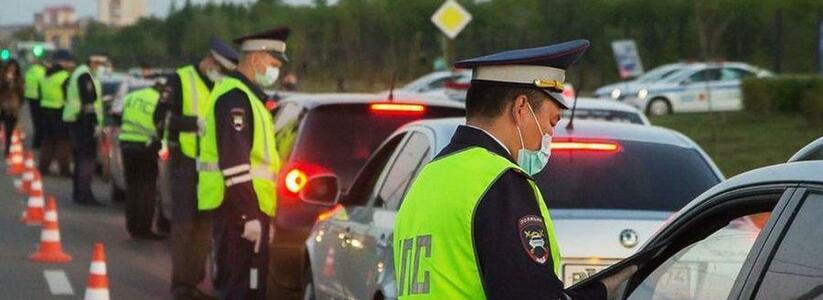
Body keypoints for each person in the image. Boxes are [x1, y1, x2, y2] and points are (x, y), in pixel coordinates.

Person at [393, 40, 636, 300]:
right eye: (552, 121)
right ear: (521, 109)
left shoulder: (429, 179)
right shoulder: (499, 182)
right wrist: (601, 294)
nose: (549, 134)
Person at [197, 27, 287, 299]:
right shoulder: (234, 98)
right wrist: (249, 216)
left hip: (249, 209)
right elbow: (234, 163)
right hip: (237, 211)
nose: (275, 71)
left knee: (251, 288)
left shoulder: (251, 98)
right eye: (273, 64)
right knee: (238, 289)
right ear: (256, 59)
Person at [166, 38, 239, 300]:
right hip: (185, 162)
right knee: (184, 226)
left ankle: (194, 282)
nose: (219, 74)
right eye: (218, 67)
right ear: (209, 60)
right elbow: (165, 119)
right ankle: (181, 286)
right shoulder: (180, 79)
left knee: (204, 228)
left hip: (212, 167)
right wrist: (192, 123)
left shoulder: (223, 85)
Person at [119, 79, 170, 240]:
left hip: (126, 143)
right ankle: (143, 228)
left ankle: (132, 226)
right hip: (146, 145)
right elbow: (162, 125)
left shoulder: (132, 96)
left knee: (132, 187)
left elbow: (119, 115)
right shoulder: (159, 101)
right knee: (147, 189)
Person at [62, 52, 108, 206]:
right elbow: (89, 100)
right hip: (84, 121)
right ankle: (84, 194)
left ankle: (79, 193)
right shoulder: (85, 75)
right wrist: (94, 123)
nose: (102, 67)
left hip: (77, 119)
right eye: (101, 64)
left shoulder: (79, 73)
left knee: (80, 158)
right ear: (93, 62)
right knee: (86, 159)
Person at [38, 50, 74, 176]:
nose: (71, 64)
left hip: (45, 110)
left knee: (48, 140)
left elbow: (40, 93)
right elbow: (69, 95)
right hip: (59, 110)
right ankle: (64, 169)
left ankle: (43, 167)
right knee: (63, 141)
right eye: (69, 62)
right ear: (63, 63)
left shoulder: (45, 75)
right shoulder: (64, 76)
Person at [0, 59, 24, 156]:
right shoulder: (2, 76)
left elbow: (21, 93)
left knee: (9, 128)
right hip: (2, 105)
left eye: (14, 67)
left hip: (13, 107)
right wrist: (6, 82)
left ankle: (8, 149)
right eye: (10, 67)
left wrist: (19, 104)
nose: (12, 69)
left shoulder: (18, 79)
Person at [23, 55, 47, 150]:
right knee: (40, 122)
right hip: (39, 98)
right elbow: (44, 85)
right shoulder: (42, 72)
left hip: (30, 97)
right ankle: (38, 143)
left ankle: (36, 143)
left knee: (35, 121)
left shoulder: (29, 71)